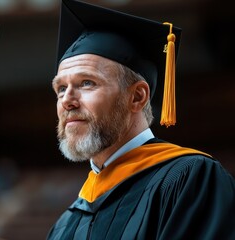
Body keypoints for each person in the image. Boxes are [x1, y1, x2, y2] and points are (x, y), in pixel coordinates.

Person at [47, 0, 235, 239]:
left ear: (137, 96)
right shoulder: (66, 224)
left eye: (87, 83)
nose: (67, 100)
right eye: (61, 88)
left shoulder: (188, 179)